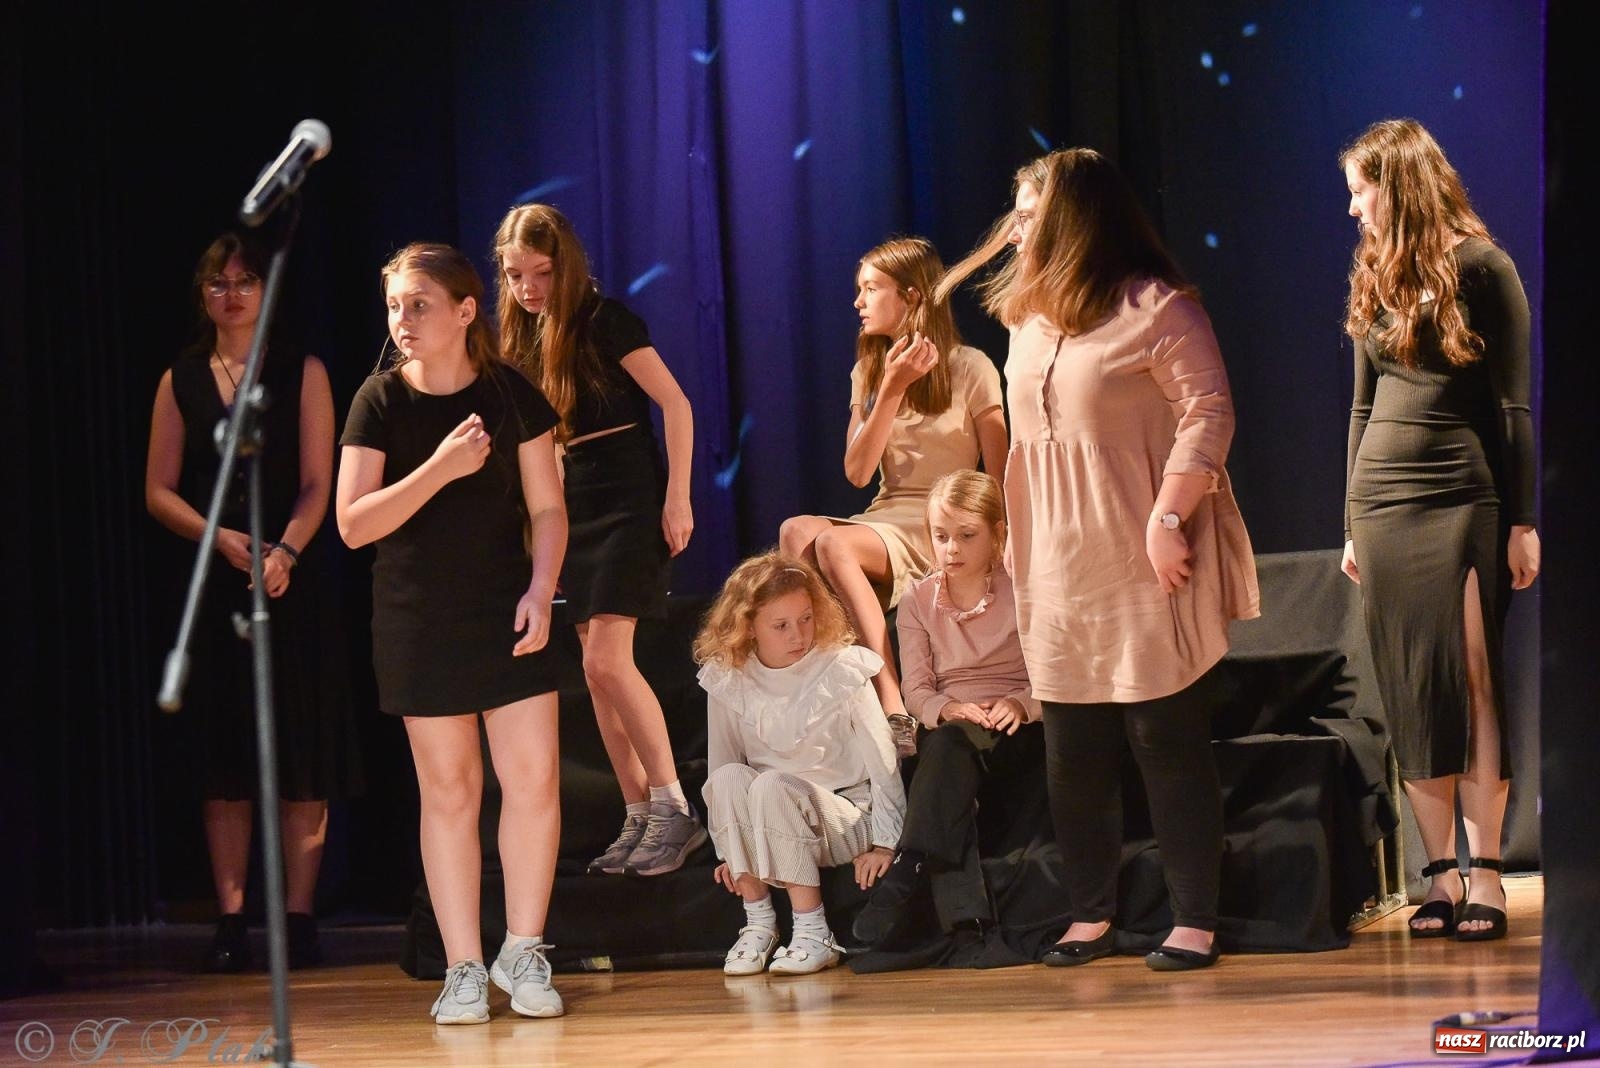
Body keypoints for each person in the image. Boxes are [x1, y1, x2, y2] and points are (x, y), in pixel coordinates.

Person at [938, 148, 1259, 972]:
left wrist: (1169, 515)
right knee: (1073, 747)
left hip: (1140, 551)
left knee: (1163, 739)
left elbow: (1210, 412)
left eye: (1031, 212)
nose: (1016, 227)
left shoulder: (1157, 308)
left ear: (1075, 219)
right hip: (1054, 559)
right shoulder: (1027, 318)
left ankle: (1194, 918)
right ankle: (1091, 913)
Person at [336, 243, 567, 1023]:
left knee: (533, 780)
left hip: (506, 607)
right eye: (394, 305)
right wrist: (438, 468)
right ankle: (463, 966)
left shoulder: (510, 393)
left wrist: (542, 588)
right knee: (450, 792)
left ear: (466, 311)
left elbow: (548, 507)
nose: (403, 319)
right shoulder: (378, 400)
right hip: (418, 618)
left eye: (420, 304)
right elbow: (353, 524)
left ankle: (524, 950)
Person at [1339, 119, 1539, 941]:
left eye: (1361, 190)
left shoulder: (1485, 268)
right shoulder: (1374, 271)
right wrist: (1350, 523)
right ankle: (1439, 875)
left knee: (1472, 675)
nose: (1353, 208)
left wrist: (1523, 520)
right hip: (1382, 502)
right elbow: (1361, 408)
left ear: (1400, 184)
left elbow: (1514, 408)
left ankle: (1486, 869)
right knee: (1412, 685)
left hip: (1462, 494)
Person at [145, 232, 361, 973]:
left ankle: (298, 918)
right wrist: (221, 540)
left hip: (292, 576)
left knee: (301, 750)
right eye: (218, 282)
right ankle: (232, 919)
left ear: (267, 291)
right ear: (201, 294)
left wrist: (285, 552)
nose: (231, 294)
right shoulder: (179, 378)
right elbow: (158, 490)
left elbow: (318, 481)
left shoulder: (302, 371)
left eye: (244, 281)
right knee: (223, 757)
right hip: (214, 579)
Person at [494, 204, 706, 877]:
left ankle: (675, 807)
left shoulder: (605, 320)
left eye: (540, 273)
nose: (529, 288)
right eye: (516, 276)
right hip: (573, 504)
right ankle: (638, 811)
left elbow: (676, 404)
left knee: (609, 660)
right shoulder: (525, 339)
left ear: (565, 265)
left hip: (627, 497)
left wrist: (678, 496)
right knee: (592, 669)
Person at [779, 237, 1008, 758]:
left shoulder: (971, 367)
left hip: (941, 523)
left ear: (910, 295)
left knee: (832, 544)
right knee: (796, 531)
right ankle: (819, 681)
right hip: (885, 515)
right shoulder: (870, 372)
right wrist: (891, 388)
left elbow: (999, 476)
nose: (858, 302)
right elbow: (857, 473)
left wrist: (1002, 544)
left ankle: (891, 700)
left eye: (870, 289)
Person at [850, 470, 1042, 948]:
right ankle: (965, 918)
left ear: (997, 533)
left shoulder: (1026, 590)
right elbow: (916, 689)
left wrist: (1021, 704)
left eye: (966, 535)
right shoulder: (918, 600)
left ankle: (907, 863)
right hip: (955, 730)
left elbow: (1056, 673)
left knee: (947, 754)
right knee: (947, 747)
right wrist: (948, 707)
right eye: (941, 536)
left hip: (1016, 729)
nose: (952, 548)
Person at [694, 552, 907, 976]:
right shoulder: (730, 676)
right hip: (768, 819)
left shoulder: (840, 667)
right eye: (781, 625)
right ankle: (759, 924)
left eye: (806, 619)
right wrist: (732, 851)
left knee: (773, 784)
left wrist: (887, 842)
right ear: (748, 627)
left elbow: (883, 762)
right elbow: (722, 766)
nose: (799, 634)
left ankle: (814, 931)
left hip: (843, 816)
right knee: (730, 778)